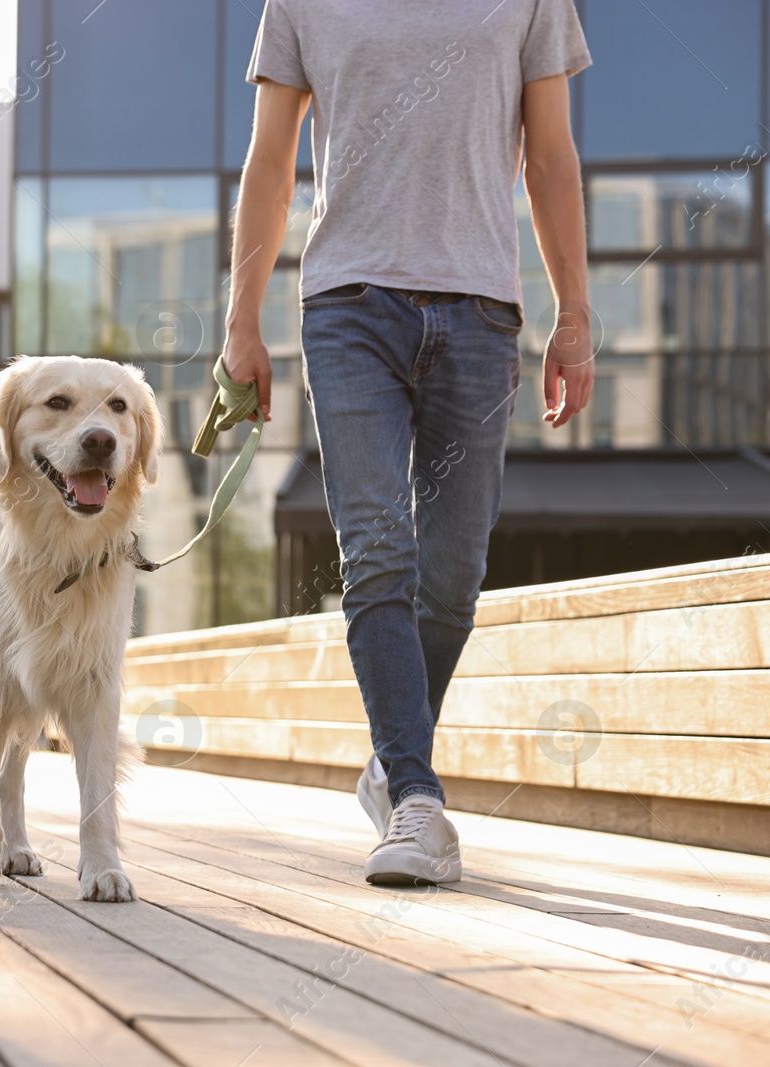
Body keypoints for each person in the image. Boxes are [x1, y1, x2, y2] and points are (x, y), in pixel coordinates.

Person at [224, 0, 593, 884]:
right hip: (349, 309)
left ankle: (392, 760)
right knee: (378, 551)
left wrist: (573, 314)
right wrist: (241, 323)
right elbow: (271, 163)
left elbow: (549, 158)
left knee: (454, 573)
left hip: (479, 313)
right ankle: (418, 799)